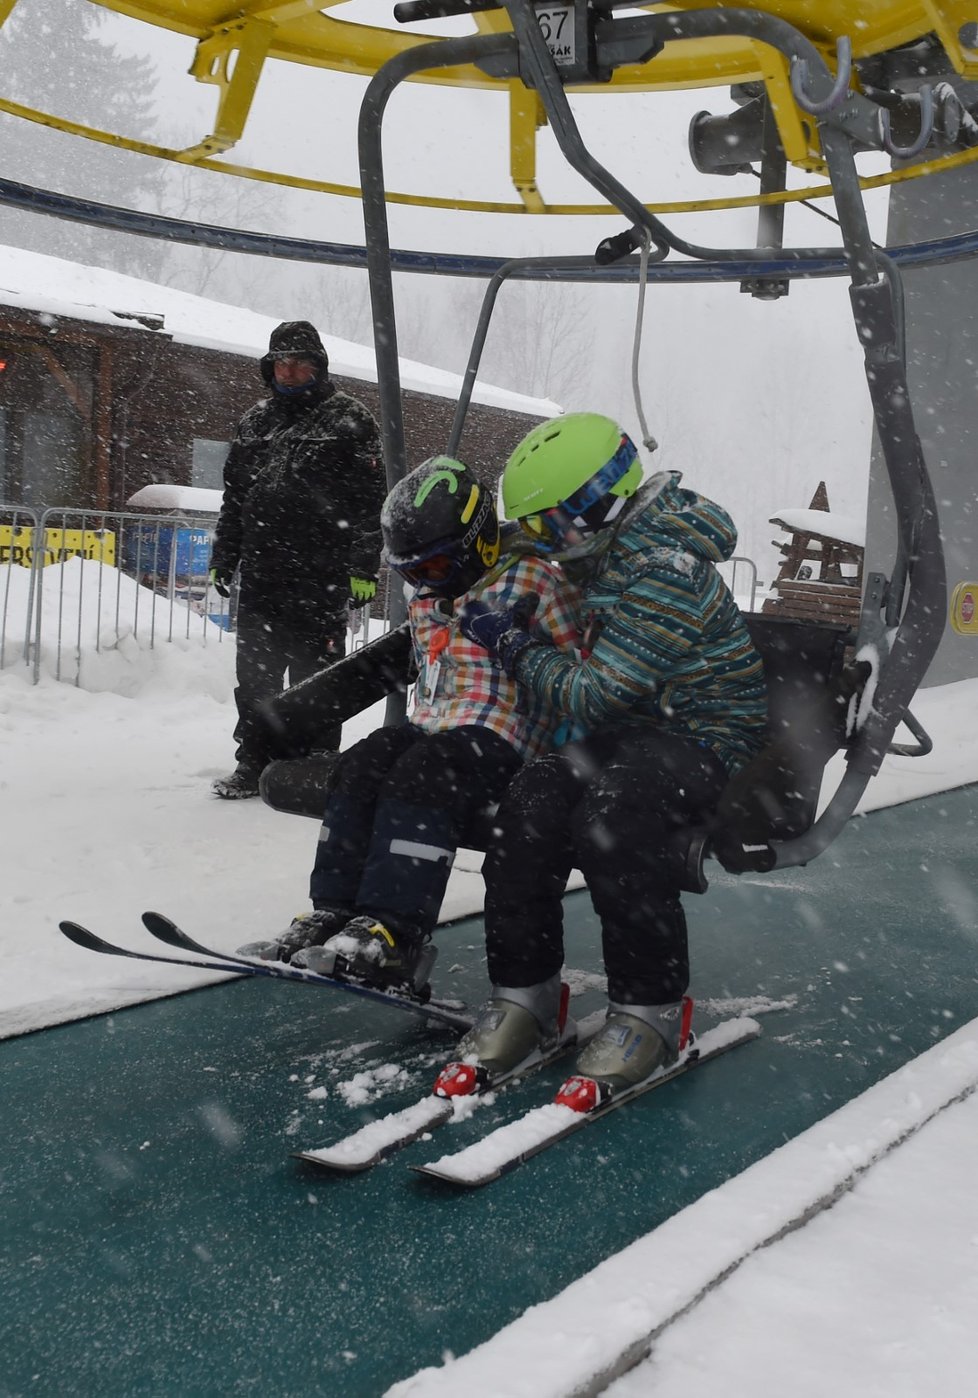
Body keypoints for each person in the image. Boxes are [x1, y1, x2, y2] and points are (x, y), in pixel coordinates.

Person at [452, 412, 768, 1097]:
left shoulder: (666, 571)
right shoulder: (608, 548)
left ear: (592, 509)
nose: (538, 543)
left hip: (702, 732)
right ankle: (525, 996)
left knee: (617, 820)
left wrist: (511, 645)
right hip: (636, 730)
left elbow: (590, 696)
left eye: (546, 528)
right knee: (528, 807)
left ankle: (649, 1008)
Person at [239, 455, 581, 998]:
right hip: (438, 728)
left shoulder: (533, 581)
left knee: (424, 771)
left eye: (436, 569)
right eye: (410, 573)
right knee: (366, 759)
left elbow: (577, 674)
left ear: (479, 543)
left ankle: (395, 932)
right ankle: (334, 912)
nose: (424, 583)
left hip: (506, 736)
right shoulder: (428, 600)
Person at [209, 320, 386, 799]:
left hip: (321, 577)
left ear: (317, 366)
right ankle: (254, 761)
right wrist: (224, 557)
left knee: (318, 676)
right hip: (263, 575)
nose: (289, 372)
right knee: (256, 677)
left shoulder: (349, 419)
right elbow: (235, 499)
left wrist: (362, 568)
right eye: (281, 363)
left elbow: (371, 503)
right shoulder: (254, 423)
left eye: (299, 363)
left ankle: (316, 764)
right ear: (270, 367)